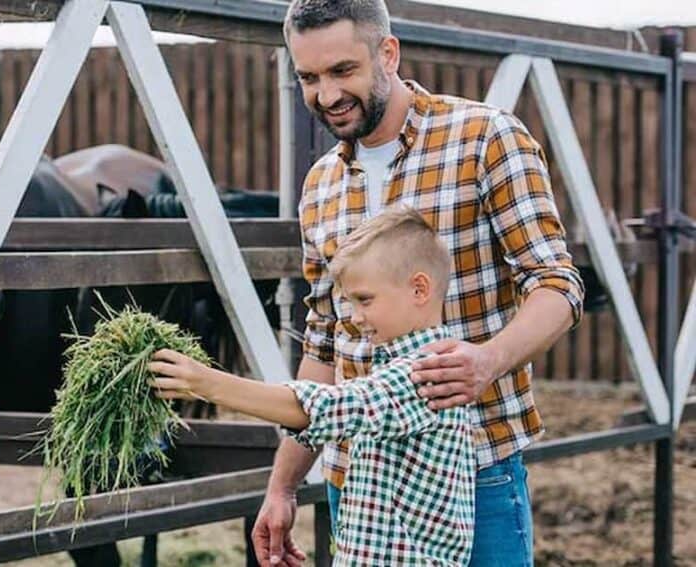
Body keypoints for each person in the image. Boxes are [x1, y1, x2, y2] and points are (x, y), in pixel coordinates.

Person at [249, 1, 586, 565]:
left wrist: (487, 361)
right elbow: (325, 344)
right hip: (360, 485)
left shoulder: (485, 138)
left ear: (388, 53)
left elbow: (555, 283)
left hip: (472, 474)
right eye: (308, 77)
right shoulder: (321, 184)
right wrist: (283, 486)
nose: (326, 95)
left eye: (342, 70)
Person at [151, 207, 475, 565]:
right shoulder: (397, 367)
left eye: (365, 300)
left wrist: (208, 383)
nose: (355, 317)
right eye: (350, 303)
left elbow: (327, 408)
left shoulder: (429, 374)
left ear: (419, 289)